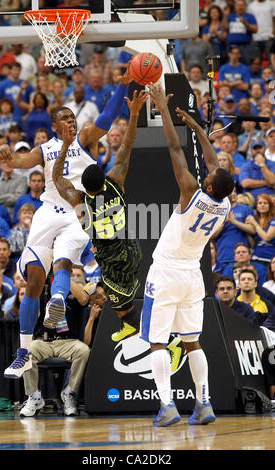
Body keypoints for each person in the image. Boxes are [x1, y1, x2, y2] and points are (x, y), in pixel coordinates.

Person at [0, 67, 133, 379]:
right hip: (47, 212)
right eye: (66, 120)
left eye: (73, 118)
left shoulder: (85, 137)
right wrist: (8, 157)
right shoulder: (44, 149)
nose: (72, 123)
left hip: (77, 212)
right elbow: (18, 162)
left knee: (62, 262)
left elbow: (108, 116)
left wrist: (119, 88)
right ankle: (23, 353)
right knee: (33, 278)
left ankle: (57, 300)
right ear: (56, 126)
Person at [52, 89, 182, 369]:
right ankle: (129, 322)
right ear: (104, 176)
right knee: (108, 297)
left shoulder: (79, 200)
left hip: (114, 260)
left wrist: (64, 146)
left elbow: (56, 178)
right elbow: (127, 144)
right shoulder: (116, 180)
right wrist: (134, 113)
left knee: (117, 304)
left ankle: (169, 342)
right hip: (132, 247)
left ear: (84, 187)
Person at [140, 83, 233, 427]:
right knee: (193, 342)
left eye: (209, 176)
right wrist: (196, 127)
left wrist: (163, 108)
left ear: (209, 185)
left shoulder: (191, 192)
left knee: (156, 342)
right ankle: (204, 404)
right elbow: (213, 164)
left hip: (165, 273)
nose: (208, 171)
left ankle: (167, 407)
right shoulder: (224, 206)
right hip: (193, 276)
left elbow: (173, 148)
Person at [19, 278, 98, 417]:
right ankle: (34, 397)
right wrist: (36, 280)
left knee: (83, 350)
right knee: (27, 350)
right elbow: (32, 311)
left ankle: (69, 393)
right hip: (44, 341)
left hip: (68, 342)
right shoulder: (43, 290)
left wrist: (63, 275)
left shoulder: (74, 290)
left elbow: (84, 300)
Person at [245, 193, 275, 265]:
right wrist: (247, 232)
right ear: (257, 206)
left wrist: (255, 224)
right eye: (260, 203)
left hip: (270, 259)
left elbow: (267, 237)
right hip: (256, 257)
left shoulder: (273, 220)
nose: (262, 205)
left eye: (265, 203)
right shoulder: (255, 219)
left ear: (270, 206)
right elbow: (253, 244)